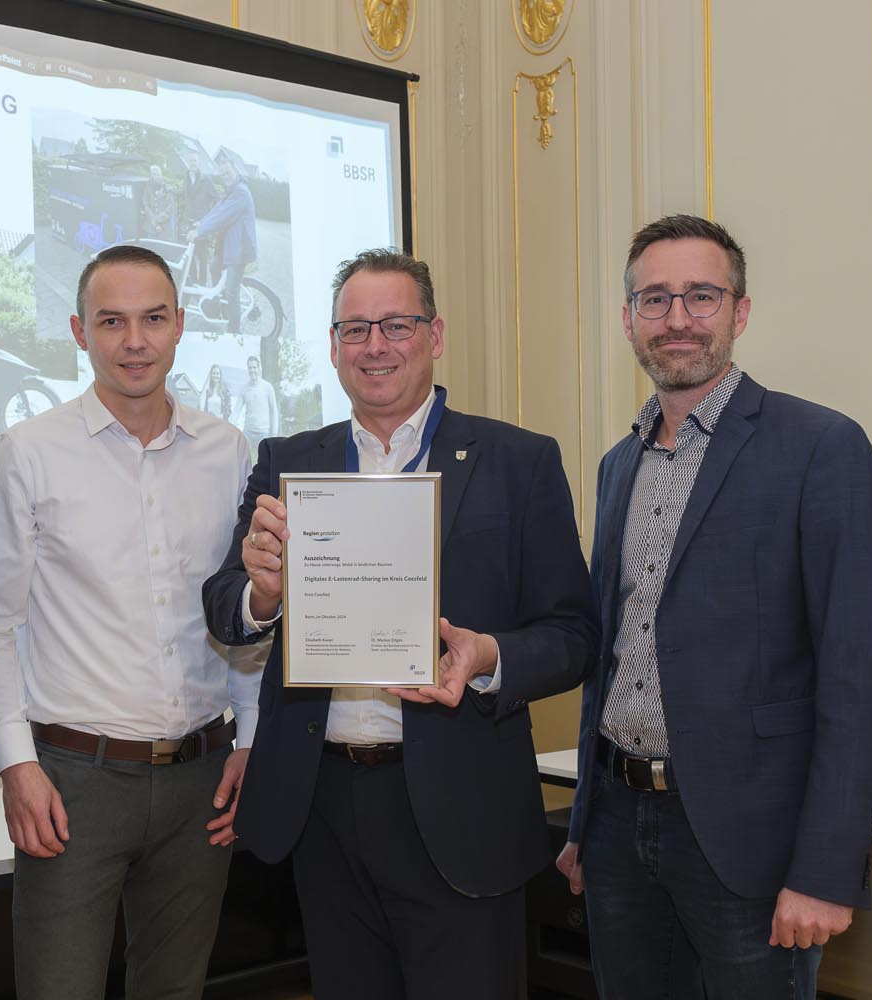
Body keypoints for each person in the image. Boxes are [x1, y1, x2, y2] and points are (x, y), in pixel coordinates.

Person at [203, 248, 596, 999]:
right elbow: (227, 604)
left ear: (436, 334)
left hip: (461, 808)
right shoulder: (288, 459)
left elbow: (573, 634)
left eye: (396, 325)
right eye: (355, 329)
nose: (374, 346)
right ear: (331, 345)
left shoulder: (518, 460)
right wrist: (264, 593)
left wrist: (486, 656)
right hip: (323, 807)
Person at [556, 214, 872, 999]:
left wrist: (826, 870)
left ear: (740, 312)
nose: (677, 319)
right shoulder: (617, 465)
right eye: (654, 299)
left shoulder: (821, 448)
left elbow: (852, 680)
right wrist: (582, 828)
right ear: (628, 319)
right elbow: (611, 655)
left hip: (749, 843)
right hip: (617, 830)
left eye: (701, 296)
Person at [0, 244, 260, 1000]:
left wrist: (253, 738)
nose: (133, 341)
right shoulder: (27, 455)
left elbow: (247, 607)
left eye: (152, 319)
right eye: (111, 321)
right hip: (73, 782)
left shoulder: (229, 452)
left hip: (203, 777)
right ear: (79, 331)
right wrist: (15, 764)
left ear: (179, 326)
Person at [190, 153, 257, 334]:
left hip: (239, 248)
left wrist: (199, 232)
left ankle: (234, 330)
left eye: (228, 172)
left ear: (235, 170)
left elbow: (223, 216)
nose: (225, 176)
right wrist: (201, 223)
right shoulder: (231, 190)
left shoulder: (241, 192)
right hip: (228, 244)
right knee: (214, 267)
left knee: (231, 291)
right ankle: (219, 308)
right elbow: (218, 209)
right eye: (223, 174)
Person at [179, 149, 217, 284]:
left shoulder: (206, 180)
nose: (192, 163)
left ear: (199, 163)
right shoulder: (186, 178)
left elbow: (216, 199)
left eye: (194, 160)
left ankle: (202, 284)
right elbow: (184, 194)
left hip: (201, 224)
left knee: (202, 256)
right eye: (190, 161)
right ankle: (193, 282)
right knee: (188, 254)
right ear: (187, 163)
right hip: (187, 222)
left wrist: (206, 219)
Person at [234, 354, 278, 452]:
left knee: (264, 461)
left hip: (263, 432)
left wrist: (274, 433)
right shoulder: (244, 388)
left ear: (259, 368)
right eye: (250, 367)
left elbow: (273, 411)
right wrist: (230, 425)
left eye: (254, 367)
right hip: (248, 431)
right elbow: (236, 410)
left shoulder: (267, 387)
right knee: (242, 457)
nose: (252, 370)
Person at [142, 164, 175, 239]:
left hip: (164, 226)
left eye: (158, 174)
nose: (156, 176)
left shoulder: (167, 188)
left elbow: (170, 207)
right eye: (154, 174)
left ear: (161, 175)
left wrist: (158, 220)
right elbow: (145, 204)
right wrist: (153, 219)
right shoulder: (147, 188)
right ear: (151, 175)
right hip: (150, 225)